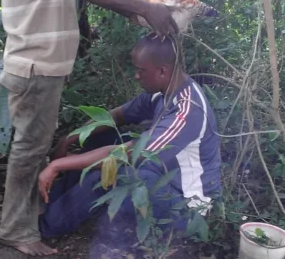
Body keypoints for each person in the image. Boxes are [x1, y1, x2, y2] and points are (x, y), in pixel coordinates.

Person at [0, 0, 179, 257]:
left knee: (36, 144)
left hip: (46, 60)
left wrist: (135, 9)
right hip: (35, 61)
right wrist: (142, 8)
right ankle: (16, 229)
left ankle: (27, 216)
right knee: (29, 148)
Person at [37, 34, 222, 239]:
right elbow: (115, 117)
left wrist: (59, 164)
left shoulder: (187, 110)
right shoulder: (162, 91)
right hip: (160, 174)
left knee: (111, 172)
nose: (136, 76)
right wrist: (69, 139)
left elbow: (124, 155)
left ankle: (43, 228)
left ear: (162, 71)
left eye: (141, 71)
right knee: (102, 135)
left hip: (186, 206)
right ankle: (49, 200)